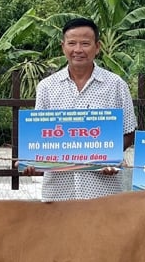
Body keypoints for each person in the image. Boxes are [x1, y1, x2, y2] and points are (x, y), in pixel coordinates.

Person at [28, 17, 136, 200]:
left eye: (85, 43)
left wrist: (110, 155)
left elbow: (129, 132)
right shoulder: (47, 87)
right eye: (72, 43)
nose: (78, 50)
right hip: (58, 193)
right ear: (63, 47)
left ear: (97, 46)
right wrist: (32, 161)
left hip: (103, 192)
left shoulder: (116, 85)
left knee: (104, 230)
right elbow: (40, 135)